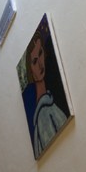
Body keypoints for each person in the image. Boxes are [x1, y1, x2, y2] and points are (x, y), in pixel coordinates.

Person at [25, 30, 69, 158]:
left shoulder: (49, 107)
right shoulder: (44, 114)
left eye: (40, 53)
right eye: (34, 61)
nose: (40, 64)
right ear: (30, 70)